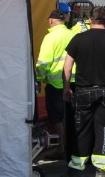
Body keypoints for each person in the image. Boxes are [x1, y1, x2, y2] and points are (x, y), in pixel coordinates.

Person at [63, 6, 105, 176]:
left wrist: (66, 88)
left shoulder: (78, 39)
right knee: (104, 129)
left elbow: (67, 67)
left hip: (83, 91)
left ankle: (77, 167)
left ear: (90, 20)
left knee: (82, 129)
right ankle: (101, 167)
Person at [35, 9, 75, 160]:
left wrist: (38, 80)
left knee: (56, 118)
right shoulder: (73, 34)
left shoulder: (50, 37)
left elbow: (44, 64)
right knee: (71, 116)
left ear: (51, 21)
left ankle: (60, 148)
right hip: (74, 83)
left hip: (56, 85)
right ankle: (71, 146)